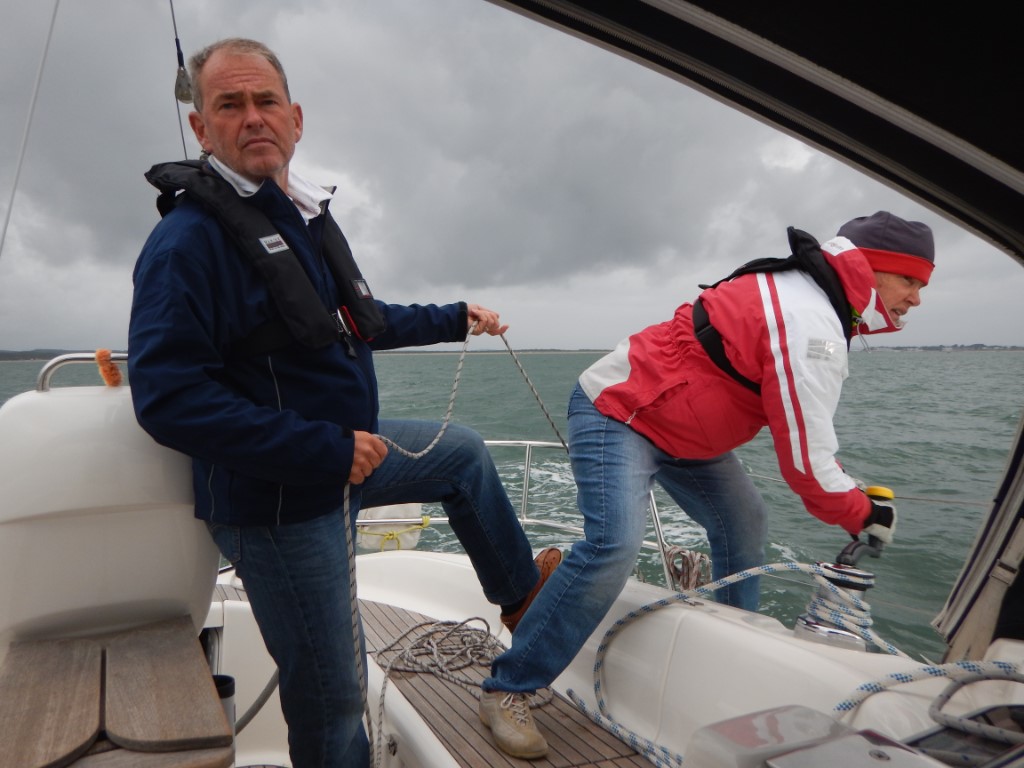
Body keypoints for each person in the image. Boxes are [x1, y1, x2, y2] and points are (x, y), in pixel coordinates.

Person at [127, 38, 560, 768]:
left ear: (295, 119)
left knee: (462, 455)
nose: (253, 117)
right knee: (333, 703)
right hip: (279, 503)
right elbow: (169, 399)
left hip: (337, 462)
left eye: (266, 101)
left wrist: (456, 317)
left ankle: (521, 601)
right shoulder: (186, 244)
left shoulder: (300, 216)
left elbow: (362, 319)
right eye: (230, 105)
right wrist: (325, 450)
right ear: (201, 129)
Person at [479, 211, 934, 758]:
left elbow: (804, 439)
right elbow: (807, 465)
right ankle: (509, 687)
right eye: (909, 280)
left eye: (921, 285)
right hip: (620, 411)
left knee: (745, 522)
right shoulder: (810, 321)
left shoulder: (814, 300)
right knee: (613, 545)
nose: (916, 298)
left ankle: (738, 652)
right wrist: (864, 513)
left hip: (687, 436)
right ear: (870, 267)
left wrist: (851, 496)